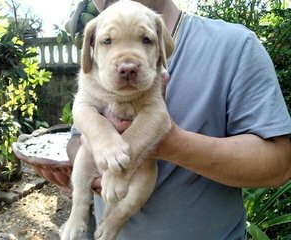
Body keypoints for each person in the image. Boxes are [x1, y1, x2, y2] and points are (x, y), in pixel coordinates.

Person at [67, 0, 291, 239]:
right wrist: (86, 158)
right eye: (107, 41)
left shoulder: (235, 46)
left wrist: (170, 144)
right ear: (89, 49)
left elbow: (280, 164)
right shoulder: (95, 73)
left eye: (146, 40)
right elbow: (80, 135)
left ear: (162, 47)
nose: (127, 65)